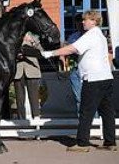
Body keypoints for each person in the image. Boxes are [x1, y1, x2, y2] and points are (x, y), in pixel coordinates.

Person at [41, 10, 117, 152]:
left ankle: (82, 143)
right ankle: (110, 142)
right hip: (105, 78)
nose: (83, 22)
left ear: (94, 21)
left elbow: (72, 48)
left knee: (85, 111)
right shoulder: (100, 34)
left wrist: (50, 53)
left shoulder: (91, 34)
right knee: (107, 111)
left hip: (93, 79)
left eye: (86, 19)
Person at [14, 32, 43, 119]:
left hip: (32, 70)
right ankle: (21, 119)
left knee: (34, 97)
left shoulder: (34, 37)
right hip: (18, 71)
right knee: (19, 98)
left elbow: (42, 52)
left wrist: (33, 42)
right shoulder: (15, 38)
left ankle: (36, 118)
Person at [66, 14, 84, 116]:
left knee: (90, 98)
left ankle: (94, 121)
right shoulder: (72, 37)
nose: (79, 25)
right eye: (77, 23)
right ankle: (81, 120)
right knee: (78, 98)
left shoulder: (91, 36)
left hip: (87, 70)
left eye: (81, 23)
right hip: (75, 69)